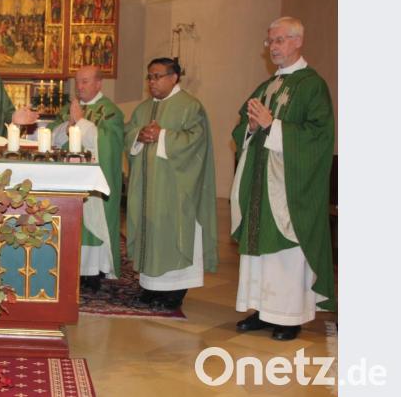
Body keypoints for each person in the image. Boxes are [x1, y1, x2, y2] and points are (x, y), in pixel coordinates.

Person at [231, 17, 335, 341]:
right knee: (260, 247)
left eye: (279, 40)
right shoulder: (267, 86)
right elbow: (242, 127)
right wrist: (250, 127)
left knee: (286, 249)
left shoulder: (312, 85)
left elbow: (319, 135)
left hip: (289, 187)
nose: (273, 47)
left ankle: (289, 316)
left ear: (297, 41)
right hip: (260, 183)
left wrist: (272, 125)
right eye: (270, 41)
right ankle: (262, 310)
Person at [125, 58, 218, 311]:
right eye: (150, 77)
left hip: (175, 188)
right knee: (150, 230)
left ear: (174, 77)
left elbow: (196, 140)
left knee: (172, 230)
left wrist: (162, 135)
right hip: (147, 188)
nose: (152, 82)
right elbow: (129, 132)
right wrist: (138, 136)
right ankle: (150, 286)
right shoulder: (143, 108)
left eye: (158, 76)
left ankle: (175, 290)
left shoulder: (190, 106)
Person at [47, 66, 123, 291]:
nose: (80, 87)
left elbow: (110, 143)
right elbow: (51, 137)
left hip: (95, 178)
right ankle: (71, 270)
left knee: (92, 222)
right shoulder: (69, 109)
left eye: (85, 81)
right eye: (78, 82)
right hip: (69, 177)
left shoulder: (110, 111)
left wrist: (81, 123)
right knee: (72, 219)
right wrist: (67, 125)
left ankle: (93, 272)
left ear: (99, 83)